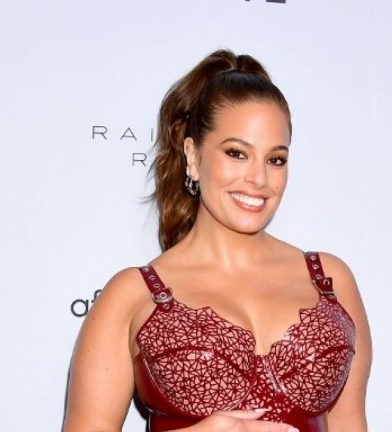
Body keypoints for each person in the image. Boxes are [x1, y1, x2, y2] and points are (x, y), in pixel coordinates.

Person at [63, 49, 372, 432]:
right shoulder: (132, 294)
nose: (259, 179)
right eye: (237, 153)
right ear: (193, 156)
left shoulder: (329, 280)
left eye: (275, 159)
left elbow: (349, 422)